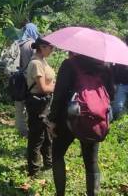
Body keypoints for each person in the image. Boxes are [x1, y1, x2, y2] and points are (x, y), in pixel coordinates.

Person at [49, 54, 114, 196]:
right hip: (93, 119)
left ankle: (60, 194)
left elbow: (59, 95)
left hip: (65, 118)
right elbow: (111, 95)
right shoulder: (104, 66)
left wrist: (52, 119)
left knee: (58, 155)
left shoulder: (69, 64)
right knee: (91, 162)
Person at [25, 37, 55, 177]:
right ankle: (34, 170)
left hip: (44, 103)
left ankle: (48, 164)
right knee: (37, 137)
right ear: (42, 47)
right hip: (37, 103)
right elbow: (42, 87)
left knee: (47, 135)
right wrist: (57, 86)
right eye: (50, 47)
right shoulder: (36, 63)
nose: (52, 50)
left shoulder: (43, 60)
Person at [15, 23, 40, 137]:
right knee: (31, 105)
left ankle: (21, 130)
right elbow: (36, 62)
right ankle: (30, 131)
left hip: (17, 78)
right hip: (28, 79)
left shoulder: (18, 43)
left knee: (19, 105)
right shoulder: (31, 45)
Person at [112, 36, 128, 120]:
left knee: (118, 107)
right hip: (121, 84)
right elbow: (114, 68)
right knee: (118, 108)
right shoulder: (120, 52)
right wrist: (114, 82)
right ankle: (116, 123)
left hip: (121, 84)